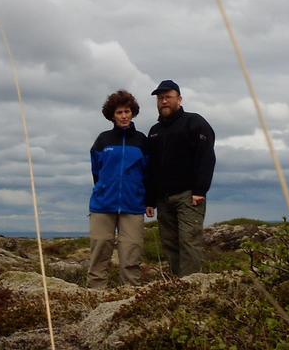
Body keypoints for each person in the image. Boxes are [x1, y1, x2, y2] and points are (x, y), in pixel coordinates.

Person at [146, 80, 216, 277]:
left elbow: (206, 157)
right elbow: (151, 167)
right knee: (169, 243)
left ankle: (191, 288)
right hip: (163, 199)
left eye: (168, 97)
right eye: (160, 98)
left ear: (179, 99)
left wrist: (200, 190)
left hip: (188, 196)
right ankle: (178, 286)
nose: (163, 101)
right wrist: (150, 200)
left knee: (189, 241)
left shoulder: (195, 122)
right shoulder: (154, 131)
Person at [88, 90, 149, 288]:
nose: (124, 116)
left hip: (133, 206)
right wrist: (105, 189)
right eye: (119, 112)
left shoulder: (142, 141)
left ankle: (129, 301)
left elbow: (149, 173)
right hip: (103, 206)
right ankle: (94, 298)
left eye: (127, 111)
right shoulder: (102, 140)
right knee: (99, 255)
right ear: (112, 116)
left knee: (131, 257)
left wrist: (148, 200)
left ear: (133, 113)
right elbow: (96, 171)